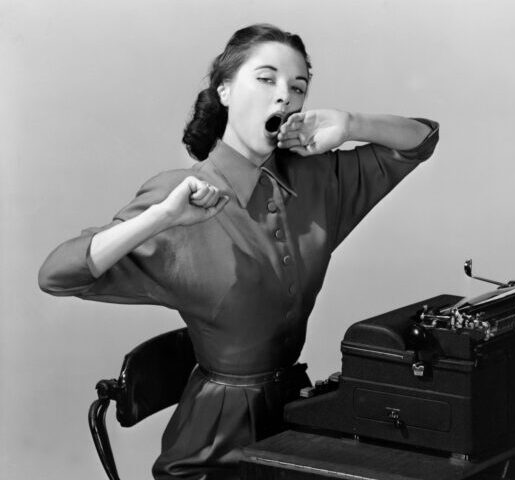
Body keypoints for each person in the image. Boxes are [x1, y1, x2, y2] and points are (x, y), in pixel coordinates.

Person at [38, 23, 439, 480]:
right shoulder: (180, 196)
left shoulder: (318, 180)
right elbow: (57, 274)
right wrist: (158, 219)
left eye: (298, 86)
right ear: (225, 90)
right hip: (215, 445)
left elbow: (420, 141)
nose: (284, 96)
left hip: (294, 417)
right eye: (266, 79)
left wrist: (350, 123)